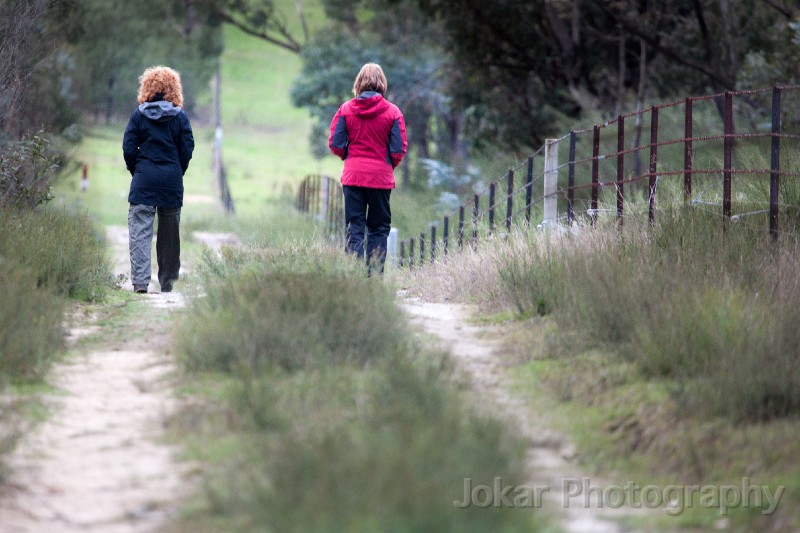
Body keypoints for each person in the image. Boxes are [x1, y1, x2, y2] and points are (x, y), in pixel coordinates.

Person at [328, 63, 407, 274]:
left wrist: (350, 158)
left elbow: (335, 144)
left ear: (359, 83)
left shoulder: (345, 110)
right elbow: (398, 150)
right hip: (381, 179)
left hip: (353, 178)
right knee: (379, 228)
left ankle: (354, 277)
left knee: (354, 227)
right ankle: (374, 277)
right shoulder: (393, 113)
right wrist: (387, 166)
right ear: (382, 83)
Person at [123, 66, 194, 293]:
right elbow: (187, 148)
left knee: (140, 233)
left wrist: (138, 171)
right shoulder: (180, 117)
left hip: (144, 181)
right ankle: (168, 284)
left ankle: (141, 284)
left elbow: (128, 148)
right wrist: (176, 170)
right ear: (175, 89)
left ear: (147, 87)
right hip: (171, 182)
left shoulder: (138, 115)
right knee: (170, 236)